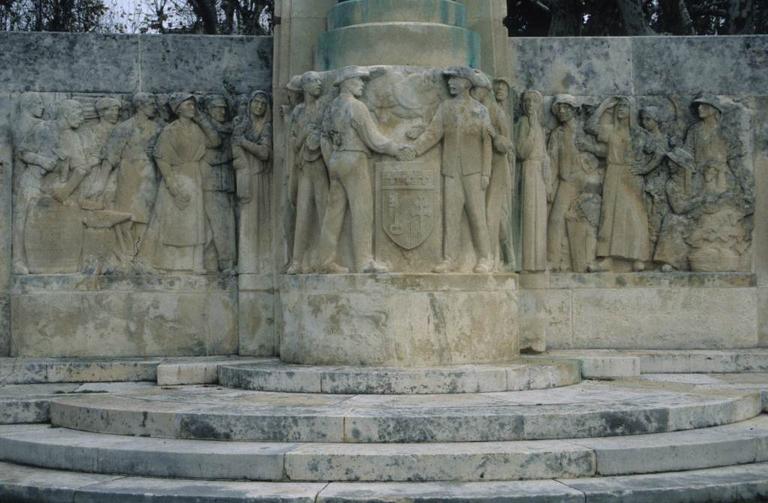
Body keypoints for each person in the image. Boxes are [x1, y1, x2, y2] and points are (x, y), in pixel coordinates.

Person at [317, 66, 409, 273]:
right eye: (358, 81)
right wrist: (395, 149)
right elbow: (372, 138)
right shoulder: (356, 107)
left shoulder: (332, 107)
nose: (362, 85)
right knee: (362, 210)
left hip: (336, 160)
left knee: (333, 213)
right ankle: (364, 261)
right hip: (353, 159)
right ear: (347, 82)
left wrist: (330, 160)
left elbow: (324, 137)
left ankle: (325, 261)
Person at [411, 66, 494, 273]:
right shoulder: (445, 107)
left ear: (466, 82)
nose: (450, 83)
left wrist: (486, 173)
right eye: (449, 80)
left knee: (477, 216)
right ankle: (449, 259)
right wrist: (414, 150)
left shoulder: (480, 110)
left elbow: (487, 144)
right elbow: (433, 133)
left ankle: (485, 257)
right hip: (451, 171)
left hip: (473, 171)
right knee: (451, 217)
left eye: (454, 79)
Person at [147, 93, 220, 273]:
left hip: (194, 176)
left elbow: (215, 141)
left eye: (193, 105)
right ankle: (168, 263)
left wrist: (202, 119)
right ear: (178, 108)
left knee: (195, 223)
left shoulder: (197, 129)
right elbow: (161, 159)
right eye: (188, 105)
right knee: (173, 223)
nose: (192, 108)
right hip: (176, 177)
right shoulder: (170, 131)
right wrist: (174, 188)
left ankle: (196, 263)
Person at [587, 96, 651, 272]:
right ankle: (607, 257)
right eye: (619, 106)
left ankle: (638, 257)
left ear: (631, 111)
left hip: (631, 174)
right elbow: (590, 127)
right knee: (610, 214)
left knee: (633, 215)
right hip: (613, 172)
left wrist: (644, 168)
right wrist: (605, 104)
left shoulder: (637, 133)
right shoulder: (611, 130)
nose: (621, 109)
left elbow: (656, 150)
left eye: (625, 106)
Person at [102, 93, 161, 261]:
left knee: (144, 215)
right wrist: (101, 181)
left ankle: (138, 251)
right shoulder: (124, 127)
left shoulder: (156, 128)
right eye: (150, 104)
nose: (154, 107)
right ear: (140, 106)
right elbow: (111, 156)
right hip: (128, 173)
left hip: (148, 175)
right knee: (126, 213)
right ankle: (124, 251)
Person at [286, 71, 329, 274]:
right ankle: (297, 261)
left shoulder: (324, 107)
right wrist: (306, 134)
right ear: (304, 87)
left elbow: (328, 132)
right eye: (313, 81)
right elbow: (294, 144)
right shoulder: (298, 111)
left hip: (321, 165)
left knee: (324, 212)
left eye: (319, 81)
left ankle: (326, 259)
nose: (318, 84)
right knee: (302, 214)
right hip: (304, 167)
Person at [471, 71, 514, 270]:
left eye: (503, 88)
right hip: (478, 167)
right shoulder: (478, 109)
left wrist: (495, 134)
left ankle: (497, 258)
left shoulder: (496, 111)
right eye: (497, 87)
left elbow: (506, 145)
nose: (499, 91)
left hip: (497, 167)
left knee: (493, 212)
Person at [12, 93, 57, 274]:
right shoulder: (27, 124)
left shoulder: (39, 125)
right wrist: (42, 161)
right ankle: (18, 259)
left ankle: (33, 259)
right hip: (28, 179)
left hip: (40, 179)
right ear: (28, 105)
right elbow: (22, 152)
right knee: (22, 219)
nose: (42, 107)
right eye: (38, 103)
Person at [233, 91, 273, 274]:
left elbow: (265, 153)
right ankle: (247, 265)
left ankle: (263, 264)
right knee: (247, 220)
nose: (258, 106)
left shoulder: (267, 127)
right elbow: (235, 148)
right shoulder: (242, 125)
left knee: (262, 220)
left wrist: (244, 143)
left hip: (261, 177)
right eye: (256, 102)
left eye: (263, 103)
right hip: (246, 177)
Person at [547, 95, 585, 271]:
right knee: (555, 219)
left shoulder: (583, 131)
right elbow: (552, 161)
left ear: (574, 110)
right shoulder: (557, 134)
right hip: (565, 182)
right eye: (559, 108)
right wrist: (549, 184)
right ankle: (554, 260)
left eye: (566, 107)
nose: (562, 111)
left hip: (583, 180)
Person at [516, 90, 550, 272]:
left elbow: (545, 155)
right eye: (527, 101)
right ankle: (527, 262)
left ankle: (539, 262)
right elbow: (521, 151)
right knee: (529, 216)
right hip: (528, 170)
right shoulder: (522, 123)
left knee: (540, 217)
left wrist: (548, 181)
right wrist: (530, 129)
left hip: (540, 173)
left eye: (534, 101)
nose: (530, 104)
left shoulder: (540, 126)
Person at [202, 94, 237, 272]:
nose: (222, 111)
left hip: (228, 185)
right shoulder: (205, 130)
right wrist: (231, 154)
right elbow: (209, 157)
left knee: (227, 225)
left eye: (224, 108)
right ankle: (224, 263)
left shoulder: (228, 129)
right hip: (211, 184)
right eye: (217, 107)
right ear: (209, 110)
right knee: (218, 226)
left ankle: (220, 263)